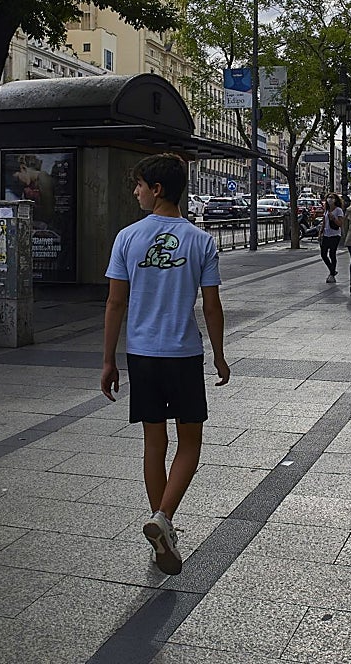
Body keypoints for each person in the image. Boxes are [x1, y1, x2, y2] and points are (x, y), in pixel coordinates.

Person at [100, 153, 229, 576]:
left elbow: (115, 302)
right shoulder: (200, 241)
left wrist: (108, 361)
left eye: (139, 184)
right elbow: (211, 306)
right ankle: (164, 519)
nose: (135, 191)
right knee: (190, 442)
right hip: (183, 354)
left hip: (142, 355)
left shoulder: (127, 238)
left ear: (157, 189)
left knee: (154, 444)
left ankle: (161, 525)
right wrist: (220, 355)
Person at [319, 193, 343, 283]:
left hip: (335, 235)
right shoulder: (326, 210)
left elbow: (340, 224)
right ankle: (332, 270)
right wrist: (321, 232)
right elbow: (324, 222)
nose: (330, 199)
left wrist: (333, 218)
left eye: (332, 198)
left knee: (332, 254)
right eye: (328, 197)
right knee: (323, 254)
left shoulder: (338, 210)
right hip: (326, 234)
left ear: (336, 200)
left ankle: (332, 274)